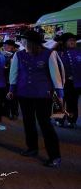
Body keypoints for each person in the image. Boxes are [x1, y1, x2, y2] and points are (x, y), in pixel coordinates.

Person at [8, 30, 64, 167]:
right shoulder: (18, 55)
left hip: (42, 95)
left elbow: (56, 76)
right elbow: (14, 73)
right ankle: (32, 148)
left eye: (23, 40)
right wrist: (11, 90)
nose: (21, 42)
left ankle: (55, 156)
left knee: (45, 124)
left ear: (29, 42)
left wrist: (60, 95)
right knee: (28, 122)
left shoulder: (49, 54)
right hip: (24, 94)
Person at [54, 33, 80, 128]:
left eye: (74, 40)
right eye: (70, 40)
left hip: (75, 83)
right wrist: (57, 42)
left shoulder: (79, 52)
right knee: (59, 101)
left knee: (72, 103)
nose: (73, 42)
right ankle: (58, 119)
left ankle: (71, 120)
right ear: (64, 42)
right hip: (60, 82)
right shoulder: (58, 52)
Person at [3, 39, 20, 119]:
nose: (4, 47)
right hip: (8, 79)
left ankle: (14, 113)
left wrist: (6, 67)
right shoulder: (8, 54)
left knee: (13, 98)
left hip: (13, 80)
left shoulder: (16, 55)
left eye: (5, 46)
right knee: (9, 97)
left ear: (11, 46)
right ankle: (9, 112)